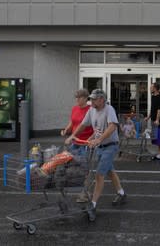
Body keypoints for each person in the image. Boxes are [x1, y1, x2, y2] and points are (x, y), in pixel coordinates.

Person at [65, 89, 126, 222]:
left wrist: (99, 139)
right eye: (90, 99)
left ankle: (93, 204)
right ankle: (121, 193)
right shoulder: (92, 110)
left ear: (101, 99)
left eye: (93, 99)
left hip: (110, 146)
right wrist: (73, 135)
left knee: (99, 174)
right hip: (100, 147)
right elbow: (82, 125)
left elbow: (112, 127)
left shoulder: (109, 109)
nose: (90, 101)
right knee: (109, 171)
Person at [60, 89, 94, 202]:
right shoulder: (75, 108)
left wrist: (91, 139)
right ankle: (78, 189)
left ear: (85, 98)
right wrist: (66, 130)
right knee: (72, 166)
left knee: (85, 169)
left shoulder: (91, 110)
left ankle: (85, 193)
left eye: (79, 97)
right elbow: (72, 122)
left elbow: (96, 126)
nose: (77, 100)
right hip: (74, 143)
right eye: (76, 97)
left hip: (85, 143)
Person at [145, 82, 160, 163]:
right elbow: (152, 109)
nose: (150, 88)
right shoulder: (153, 97)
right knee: (157, 139)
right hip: (154, 121)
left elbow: (159, 110)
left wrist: (157, 120)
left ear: (155, 88)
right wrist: (148, 117)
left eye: (151, 87)